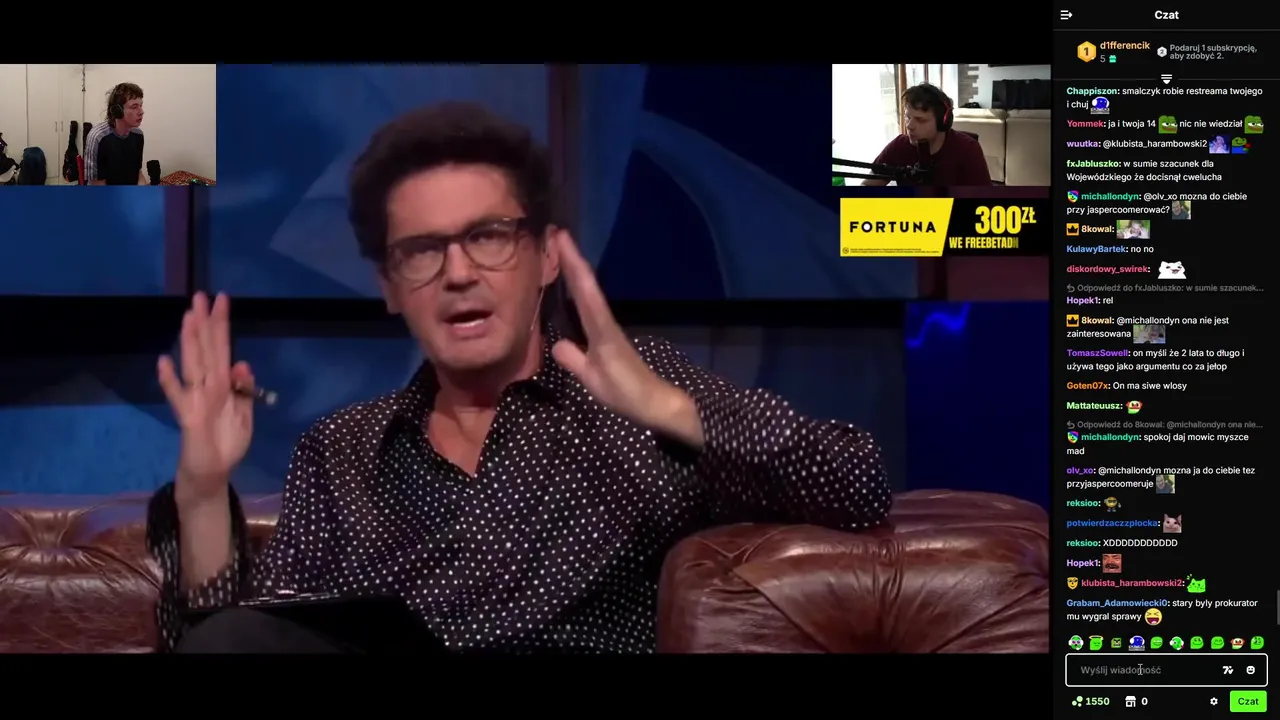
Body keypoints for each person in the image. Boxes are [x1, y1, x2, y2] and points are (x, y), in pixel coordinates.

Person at [147, 102, 893, 654]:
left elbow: (856, 482)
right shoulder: (340, 451)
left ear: (546, 257)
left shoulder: (641, 396)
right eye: (422, 250)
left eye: (488, 236)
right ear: (389, 286)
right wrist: (205, 494)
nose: (459, 273)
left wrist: (667, 407)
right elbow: (243, 639)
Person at [863, 83, 991, 186]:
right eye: (908, 117)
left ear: (942, 122)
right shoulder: (899, 146)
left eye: (920, 120)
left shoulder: (968, 149)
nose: (909, 126)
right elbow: (867, 185)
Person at [84, 83, 148, 186]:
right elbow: (97, 185)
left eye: (141, 105)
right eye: (134, 107)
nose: (141, 111)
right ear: (117, 111)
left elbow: (138, 173)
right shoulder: (98, 137)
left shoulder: (138, 135)